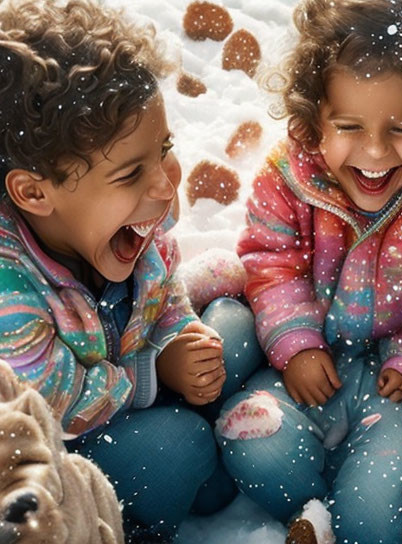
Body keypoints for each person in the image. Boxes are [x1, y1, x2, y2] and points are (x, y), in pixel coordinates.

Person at [211, 0, 402, 541]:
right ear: (315, 120)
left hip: (397, 387)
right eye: (350, 125)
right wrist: (296, 343)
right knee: (250, 436)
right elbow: (271, 263)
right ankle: (309, 510)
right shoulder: (286, 179)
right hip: (307, 374)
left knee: (373, 521)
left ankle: (358, 499)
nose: (376, 150)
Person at [0, 0, 259, 538]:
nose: (165, 185)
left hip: (129, 380)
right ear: (33, 192)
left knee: (230, 330)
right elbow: (54, 399)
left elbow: (164, 291)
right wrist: (155, 375)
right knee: (181, 449)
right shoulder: (9, 288)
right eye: (129, 173)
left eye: (163, 149)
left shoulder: (130, 224)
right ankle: (133, 521)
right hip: (64, 453)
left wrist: (181, 336)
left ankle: (206, 458)